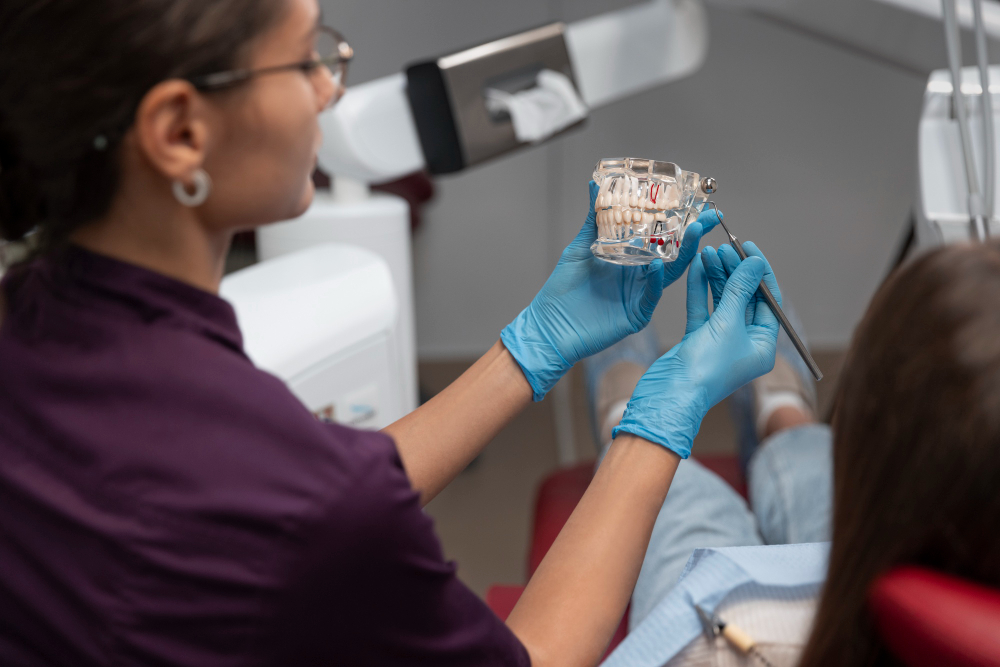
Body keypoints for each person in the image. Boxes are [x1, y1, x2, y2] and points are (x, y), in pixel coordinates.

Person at [0, 1, 780, 665]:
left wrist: (533, 345)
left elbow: (297, 500)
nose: (329, 89)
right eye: (303, 60)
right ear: (178, 132)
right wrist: (662, 412)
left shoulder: (31, 323)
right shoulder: (295, 486)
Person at [588, 240, 1000, 666]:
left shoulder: (713, 653)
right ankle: (783, 417)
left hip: (734, 635)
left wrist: (655, 421)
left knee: (684, 499)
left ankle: (630, 420)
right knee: (807, 464)